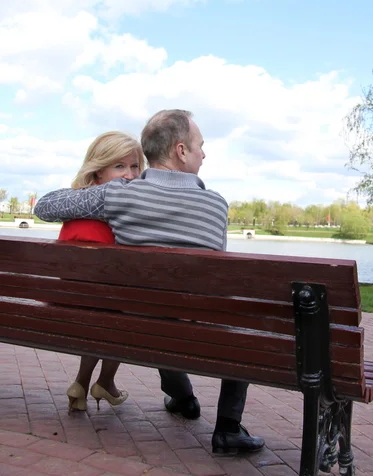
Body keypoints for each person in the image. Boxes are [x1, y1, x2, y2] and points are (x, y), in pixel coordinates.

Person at [35, 110, 264, 455]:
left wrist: (113, 187)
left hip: (142, 328)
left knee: (158, 316)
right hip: (201, 330)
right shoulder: (216, 204)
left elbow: (46, 206)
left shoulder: (118, 195)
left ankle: (184, 398)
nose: (205, 153)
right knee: (236, 325)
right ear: (181, 150)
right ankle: (228, 428)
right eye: (201, 146)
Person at [58, 131, 145, 414]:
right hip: (97, 315)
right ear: (97, 174)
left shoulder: (74, 210)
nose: (131, 175)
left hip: (64, 310)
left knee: (107, 311)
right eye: (119, 166)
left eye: (135, 166)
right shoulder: (117, 224)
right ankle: (105, 381)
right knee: (124, 312)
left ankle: (82, 385)